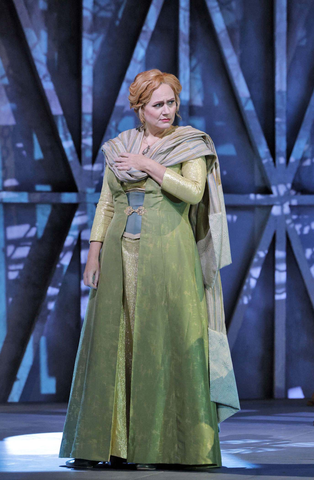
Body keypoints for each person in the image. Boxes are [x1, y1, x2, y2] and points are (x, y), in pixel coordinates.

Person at [59, 69, 240, 470]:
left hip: (170, 253)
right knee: (114, 343)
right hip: (120, 252)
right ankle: (105, 446)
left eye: (171, 102)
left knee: (164, 341)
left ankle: (167, 447)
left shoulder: (190, 144)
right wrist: (93, 252)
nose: (167, 110)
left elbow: (193, 192)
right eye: (157, 104)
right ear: (139, 109)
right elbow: (107, 202)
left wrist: (150, 165)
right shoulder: (119, 147)